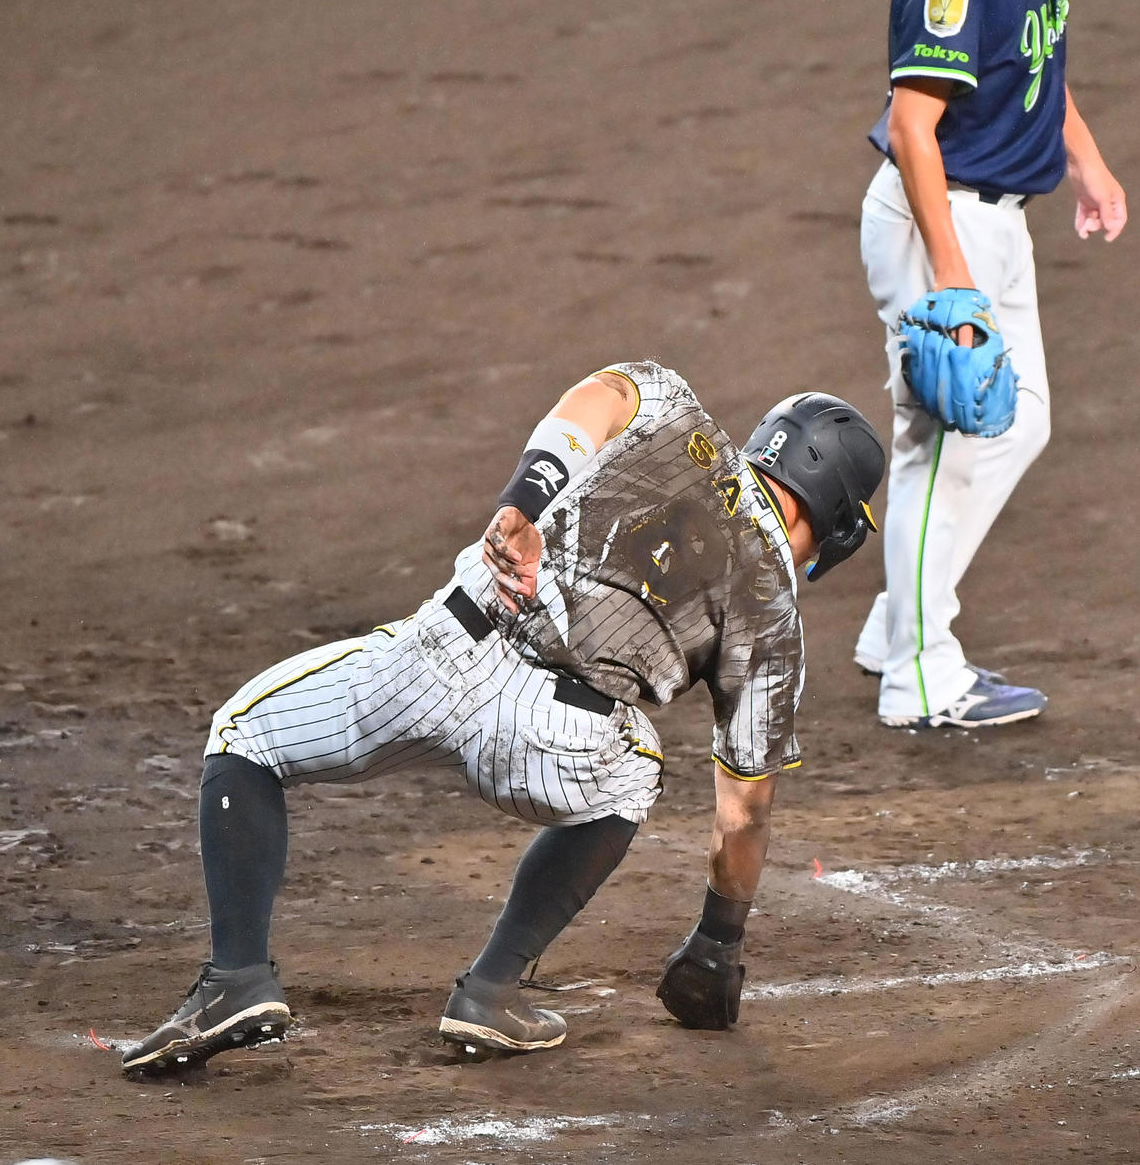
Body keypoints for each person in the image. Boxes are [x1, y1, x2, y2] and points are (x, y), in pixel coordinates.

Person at [121, 360, 884, 1076]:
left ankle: (238, 976)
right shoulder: (775, 618)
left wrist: (522, 501)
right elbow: (743, 810)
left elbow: (599, 396)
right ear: (839, 526)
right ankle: (488, 991)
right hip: (550, 744)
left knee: (244, 735)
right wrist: (718, 942)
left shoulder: (672, 405)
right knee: (633, 769)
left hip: (441, 653)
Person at [854, 0, 1127, 729]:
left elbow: (1037, 64)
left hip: (995, 213)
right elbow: (916, 126)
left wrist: (1085, 162)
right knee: (944, 447)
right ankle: (916, 677)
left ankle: (899, 619)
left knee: (1020, 421)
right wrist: (954, 284)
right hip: (939, 217)